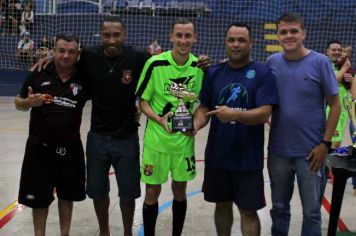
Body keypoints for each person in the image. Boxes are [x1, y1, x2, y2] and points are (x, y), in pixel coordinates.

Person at [192, 22, 279, 236]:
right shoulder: (213, 72)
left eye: (241, 40)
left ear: (251, 42)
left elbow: (264, 113)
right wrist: (194, 124)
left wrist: (234, 114)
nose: (236, 44)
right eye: (231, 40)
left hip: (247, 158)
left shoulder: (262, 73)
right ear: (225, 42)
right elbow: (204, 107)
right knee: (221, 206)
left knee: (248, 212)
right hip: (217, 156)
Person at [267, 13, 341, 236]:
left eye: (293, 31)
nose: (289, 36)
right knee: (279, 209)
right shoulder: (272, 63)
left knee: (311, 212)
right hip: (278, 152)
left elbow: (335, 106)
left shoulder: (320, 62)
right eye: (284, 32)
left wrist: (325, 144)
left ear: (303, 33)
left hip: (311, 154)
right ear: (278, 35)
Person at [15, 32, 88, 236]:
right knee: (39, 200)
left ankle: (64, 234)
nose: (65, 56)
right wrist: (29, 102)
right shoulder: (38, 74)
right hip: (39, 148)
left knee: (67, 197)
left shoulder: (84, 77)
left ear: (78, 54)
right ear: (53, 51)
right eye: (61, 51)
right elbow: (18, 103)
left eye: (71, 52)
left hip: (70, 148)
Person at [135, 18, 204, 236]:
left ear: (195, 38)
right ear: (171, 37)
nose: (183, 40)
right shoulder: (155, 63)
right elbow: (142, 101)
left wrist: (196, 124)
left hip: (183, 143)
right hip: (156, 142)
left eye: (188, 36)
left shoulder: (199, 68)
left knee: (180, 191)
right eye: (179, 35)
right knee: (152, 192)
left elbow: (205, 105)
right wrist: (159, 119)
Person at [326, 40, 353, 150]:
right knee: (327, 144)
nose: (337, 52)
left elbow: (352, 91)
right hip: (328, 109)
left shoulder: (345, 66)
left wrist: (352, 80)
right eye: (333, 50)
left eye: (339, 50)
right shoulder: (326, 66)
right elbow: (332, 83)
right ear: (327, 51)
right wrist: (344, 68)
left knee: (336, 145)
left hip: (342, 111)